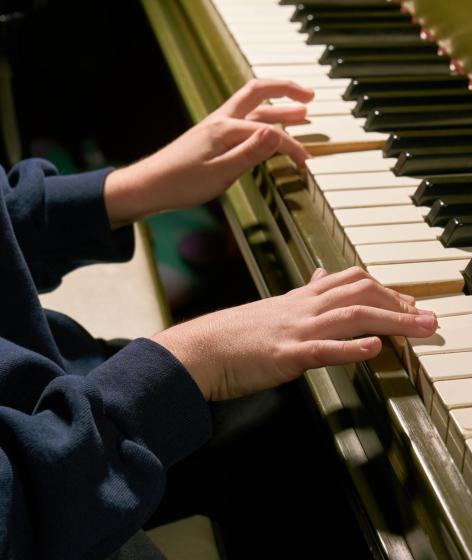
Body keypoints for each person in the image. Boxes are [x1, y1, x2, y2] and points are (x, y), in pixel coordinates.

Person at [0, 79, 437, 559]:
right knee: (316, 444)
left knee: (304, 414)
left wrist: (117, 192)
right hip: (63, 486)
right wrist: (194, 358)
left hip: (53, 383)